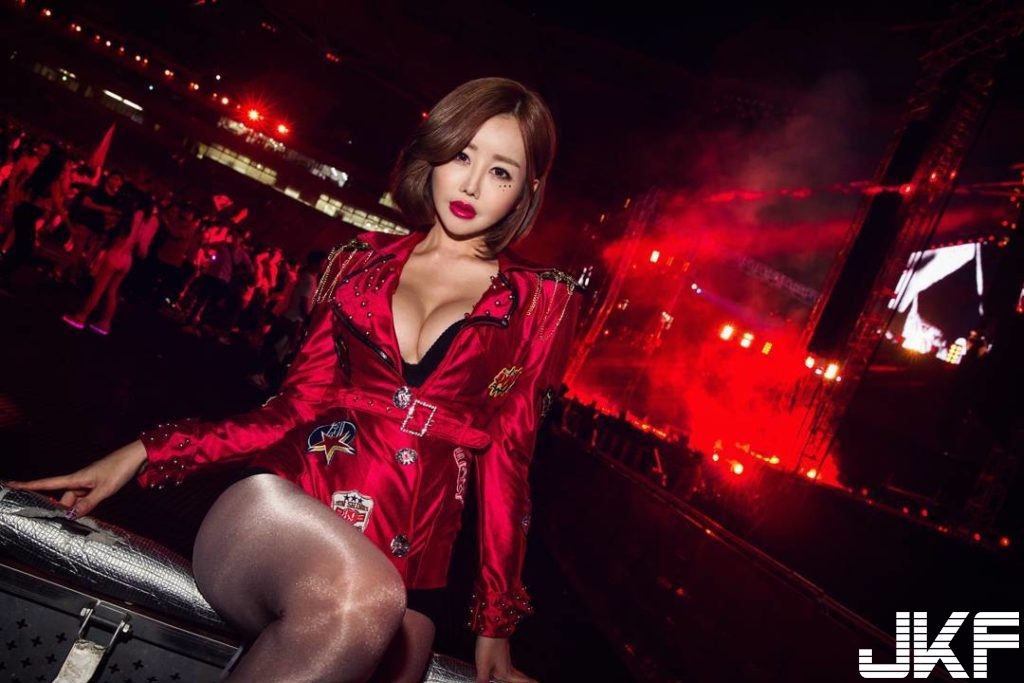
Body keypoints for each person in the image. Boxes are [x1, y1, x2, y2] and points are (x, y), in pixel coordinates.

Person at [8, 77, 581, 683]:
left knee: (396, 633)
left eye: (500, 171)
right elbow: (291, 407)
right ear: (434, 152)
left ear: (527, 189)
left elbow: (509, 465)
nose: (471, 184)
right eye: (462, 155)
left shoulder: (541, 302)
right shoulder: (357, 263)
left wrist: (495, 625)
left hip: (411, 570)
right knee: (363, 600)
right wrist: (145, 450)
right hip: (279, 515)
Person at [61, 190, 159, 334]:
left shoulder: (130, 215)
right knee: (112, 291)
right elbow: (142, 248)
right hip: (128, 259)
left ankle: (81, 316)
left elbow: (113, 231)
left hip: (115, 254)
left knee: (98, 289)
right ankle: (105, 323)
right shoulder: (150, 221)